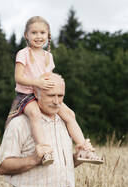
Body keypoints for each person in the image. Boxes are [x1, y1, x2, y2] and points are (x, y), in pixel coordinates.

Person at [0, 73, 100, 187]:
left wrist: (77, 158)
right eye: (51, 95)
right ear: (36, 94)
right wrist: (34, 159)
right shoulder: (19, 124)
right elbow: (2, 167)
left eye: (60, 96)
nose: (57, 101)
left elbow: (61, 163)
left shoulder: (64, 122)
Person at [6, 16, 103, 166]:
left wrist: (55, 89)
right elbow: (18, 78)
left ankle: (83, 148)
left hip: (44, 94)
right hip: (27, 95)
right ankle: (44, 150)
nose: (38, 36)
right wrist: (37, 82)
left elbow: (50, 77)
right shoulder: (23, 53)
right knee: (35, 114)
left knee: (69, 114)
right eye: (34, 33)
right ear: (26, 35)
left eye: (42, 33)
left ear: (48, 35)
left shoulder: (48, 56)